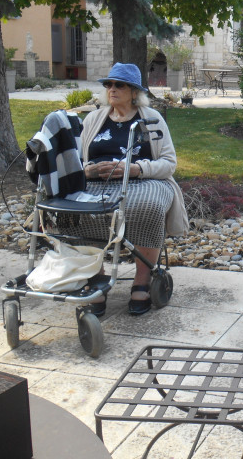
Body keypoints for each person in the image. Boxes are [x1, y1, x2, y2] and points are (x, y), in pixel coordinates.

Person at [69, 63, 188, 316]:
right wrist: (87, 171)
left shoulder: (151, 119)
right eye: (108, 84)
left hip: (145, 181)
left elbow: (169, 164)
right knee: (77, 210)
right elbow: (76, 160)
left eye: (119, 85)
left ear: (134, 91)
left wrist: (135, 169)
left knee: (149, 207)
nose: (112, 89)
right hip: (97, 182)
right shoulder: (93, 119)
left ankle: (142, 280)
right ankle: (96, 279)